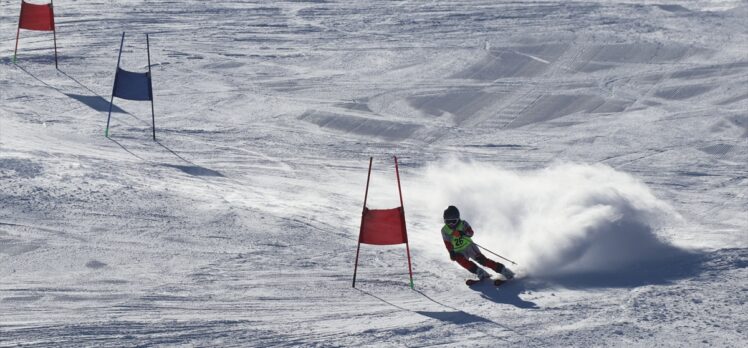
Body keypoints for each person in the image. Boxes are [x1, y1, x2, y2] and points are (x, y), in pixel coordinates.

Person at [441, 205, 514, 280]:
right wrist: (451, 252)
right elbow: (447, 243)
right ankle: (480, 272)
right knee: (462, 261)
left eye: (453, 221)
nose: (451, 224)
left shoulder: (463, 224)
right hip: (458, 251)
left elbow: (471, 233)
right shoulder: (444, 231)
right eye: (448, 222)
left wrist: (463, 233)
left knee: (482, 260)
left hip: (470, 247)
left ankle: (503, 270)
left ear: (458, 219)